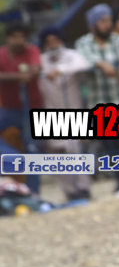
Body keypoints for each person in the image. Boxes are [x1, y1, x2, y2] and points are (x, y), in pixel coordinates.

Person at [36, 27, 92, 201]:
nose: (53, 44)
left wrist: (59, 70)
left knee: (75, 152)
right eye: (49, 42)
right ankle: (70, 191)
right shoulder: (41, 60)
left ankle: (84, 188)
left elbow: (84, 64)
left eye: (56, 40)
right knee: (57, 154)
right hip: (49, 111)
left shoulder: (72, 56)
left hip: (72, 110)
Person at [0, 22, 43, 191]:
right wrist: (20, 76)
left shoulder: (32, 50)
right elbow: (25, 75)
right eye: (15, 37)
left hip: (32, 108)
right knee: (22, 153)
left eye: (22, 37)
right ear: (8, 38)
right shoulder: (2, 54)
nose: (18, 40)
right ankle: (11, 156)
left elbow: (35, 70)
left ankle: (32, 192)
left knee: (33, 151)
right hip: (9, 108)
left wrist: (24, 75)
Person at [76, 4, 119, 106]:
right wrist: (102, 64)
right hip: (98, 102)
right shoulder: (83, 43)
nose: (108, 25)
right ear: (92, 26)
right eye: (103, 21)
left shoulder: (118, 39)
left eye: (109, 20)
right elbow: (85, 59)